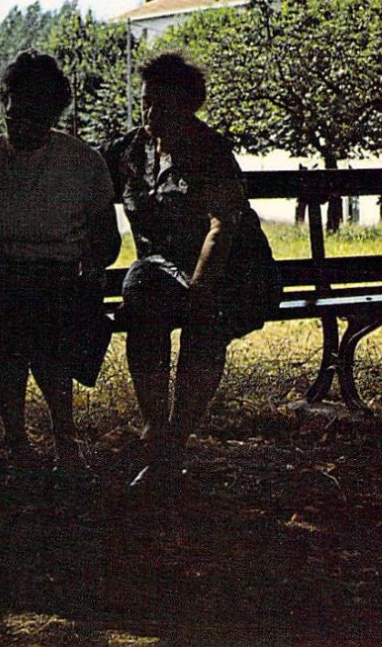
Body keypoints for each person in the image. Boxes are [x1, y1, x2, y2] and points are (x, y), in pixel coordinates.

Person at [0, 51, 120, 472]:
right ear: (5, 106)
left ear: (54, 113)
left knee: (41, 313)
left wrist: (90, 266)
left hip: (59, 279)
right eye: (15, 115)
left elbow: (106, 241)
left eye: (36, 117)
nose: (22, 127)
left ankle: (63, 440)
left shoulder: (83, 163)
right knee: (9, 312)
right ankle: (20, 441)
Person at [103, 52, 277, 489]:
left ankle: (173, 444)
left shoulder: (210, 152)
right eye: (146, 102)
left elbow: (223, 226)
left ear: (188, 106)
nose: (151, 114)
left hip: (231, 270)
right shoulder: (129, 152)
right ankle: (155, 425)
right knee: (139, 291)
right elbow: (79, 177)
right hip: (163, 271)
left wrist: (199, 291)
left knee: (205, 322)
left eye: (163, 105)